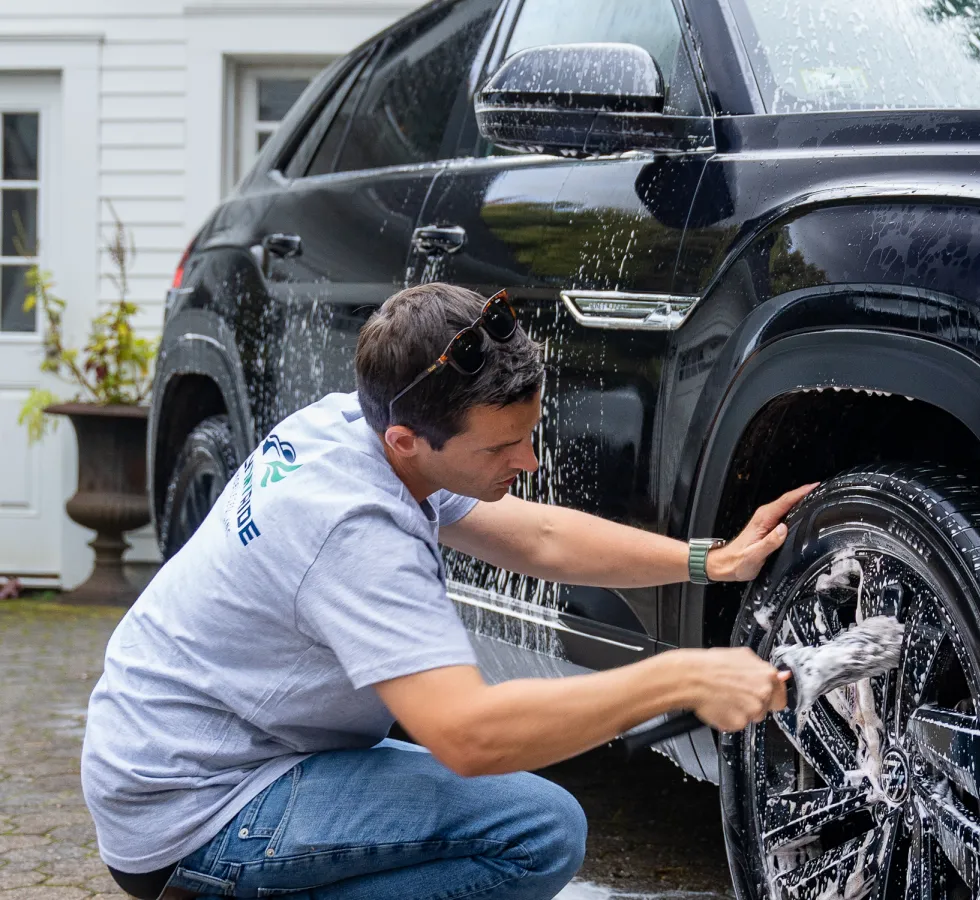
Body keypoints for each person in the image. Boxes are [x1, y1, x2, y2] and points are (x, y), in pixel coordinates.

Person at [81, 282, 810, 900]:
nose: (526, 460)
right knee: (536, 833)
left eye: (529, 432)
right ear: (408, 442)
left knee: (509, 804)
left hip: (186, 751)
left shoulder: (357, 420)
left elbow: (538, 538)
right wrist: (678, 676)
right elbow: (467, 734)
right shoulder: (354, 530)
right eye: (501, 448)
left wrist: (707, 562)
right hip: (195, 806)